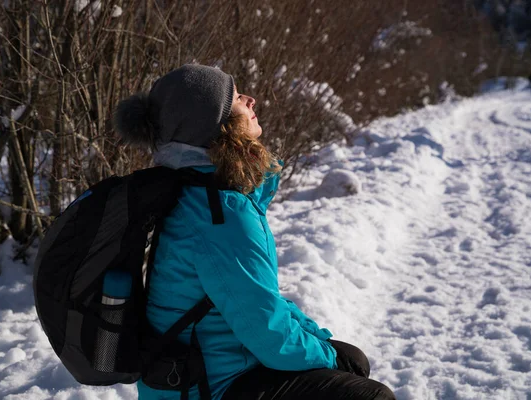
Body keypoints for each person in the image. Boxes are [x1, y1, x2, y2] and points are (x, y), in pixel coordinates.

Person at [114, 64, 396, 400]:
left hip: (205, 372)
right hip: (206, 389)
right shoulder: (220, 214)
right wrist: (331, 357)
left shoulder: (196, 194)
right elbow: (268, 336)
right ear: (214, 124)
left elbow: (260, 304)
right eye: (236, 98)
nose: (251, 100)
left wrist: (319, 340)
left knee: (351, 360)